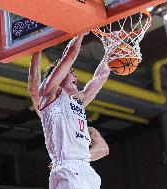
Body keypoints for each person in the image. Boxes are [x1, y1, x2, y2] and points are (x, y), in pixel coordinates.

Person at [29, 33, 111, 189]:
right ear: (58, 78)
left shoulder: (79, 101)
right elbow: (70, 54)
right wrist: (82, 30)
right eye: (71, 72)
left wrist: (110, 52)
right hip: (67, 168)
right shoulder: (50, 96)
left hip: (85, 168)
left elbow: (101, 76)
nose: (76, 75)